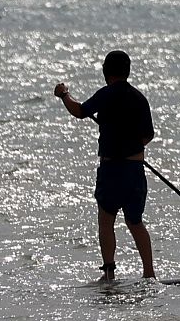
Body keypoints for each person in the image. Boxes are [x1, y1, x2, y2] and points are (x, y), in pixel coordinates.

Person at [54, 50, 157, 281]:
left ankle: (109, 272)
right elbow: (147, 136)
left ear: (106, 71)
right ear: (127, 71)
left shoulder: (106, 94)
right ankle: (149, 273)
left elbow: (79, 111)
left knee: (106, 219)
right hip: (134, 170)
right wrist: (129, 144)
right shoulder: (139, 98)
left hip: (112, 170)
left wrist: (64, 95)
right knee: (135, 222)